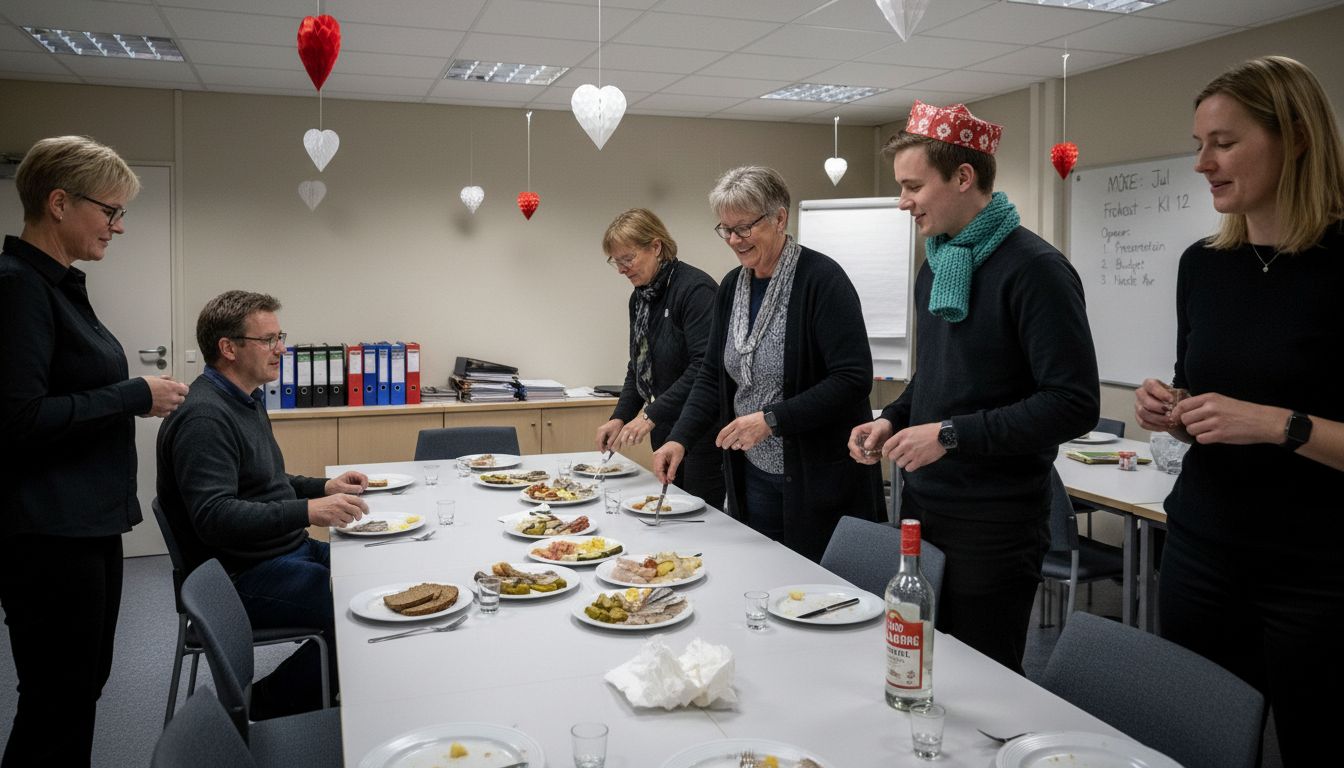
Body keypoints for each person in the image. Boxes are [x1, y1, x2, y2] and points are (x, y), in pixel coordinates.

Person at [1133, 56, 1344, 765]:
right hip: (1200, 551)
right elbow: (1195, 384)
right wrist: (1171, 407)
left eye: (1223, 142)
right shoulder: (1203, 264)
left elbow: (1270, 415)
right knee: (1195, 746)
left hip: (1317, 573)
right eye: (1199, 144)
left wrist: (1279, 426)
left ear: (1296, 136)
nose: (1203, 163)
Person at [850, 102, 1099, 673]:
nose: (902, 201)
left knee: (982, 682)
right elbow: (937, 380)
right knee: (920, 664)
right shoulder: (938, 264)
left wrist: (950, 434)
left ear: (964, 177)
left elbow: (1073, 402)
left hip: (996, 524)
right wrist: (893, 418)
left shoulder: (1036, 269)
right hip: (927, 508)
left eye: (913, 186)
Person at [0, 135, 190, 766]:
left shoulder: (56, 286)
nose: (118, 226)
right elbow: (18, 419)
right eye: (110, 212)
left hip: (85, 525)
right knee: (57, 699)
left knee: (76, 692)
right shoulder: (19, 288)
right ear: (58, 202)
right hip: (50, 534)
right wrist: (132, 393)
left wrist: (126, 394)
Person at [156, 290, 369, 719]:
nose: (281, 350)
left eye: (280, 337)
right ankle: (266, 707)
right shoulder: (205, 418)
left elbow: (266, 484)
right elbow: (216, 516)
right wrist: (308, 511)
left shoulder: (245, 399)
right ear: (228, 348)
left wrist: (322, 486)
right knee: (359, 610)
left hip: (282, 551)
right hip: (238, 576)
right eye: (268, 340)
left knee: (373, 574)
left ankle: (334, 692)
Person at [652, 166, 883, 562]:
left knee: (811, 594)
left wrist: (772, 420)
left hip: (817, 478)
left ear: (780, 218)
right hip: (752, 473)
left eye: (743, 227)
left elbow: (852, 379)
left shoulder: (822, 280)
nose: (734, 240)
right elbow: (712, 375)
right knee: (761, 577)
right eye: (725, 229)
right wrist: (680, 438)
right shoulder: (732, 286)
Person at [594, 208, 725, 507]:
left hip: (701, 431)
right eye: (617, 261)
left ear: (656, 246)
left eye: (628, 259)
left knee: (701, 519)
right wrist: (620, 417)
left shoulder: (695, 290)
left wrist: (650, 415)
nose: (622, 269)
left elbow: (703, 368)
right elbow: (638, 366)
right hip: (665, 428)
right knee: (669, 515)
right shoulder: (640, 297)